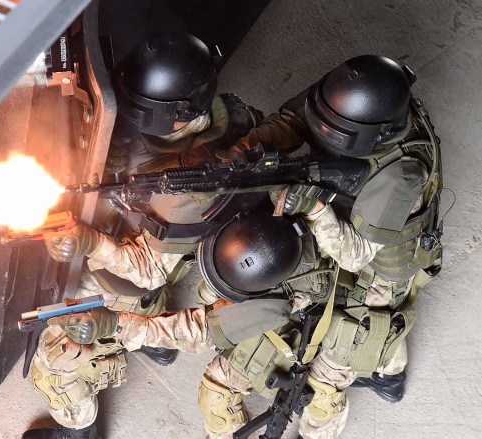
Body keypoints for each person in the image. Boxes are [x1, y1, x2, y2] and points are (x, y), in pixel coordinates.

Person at [23, 33, 264, 439]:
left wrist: (90, 242)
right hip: (172, 244)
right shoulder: (233, 116)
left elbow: (150, 270)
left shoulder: (187, 185)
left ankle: (78, 430)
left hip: (142, 265)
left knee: (54, 360)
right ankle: (155, 334)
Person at [232, 54, 444, 438]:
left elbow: (355, 254)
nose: (322, 132)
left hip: (383, 254)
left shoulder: (402, 174)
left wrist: (314, 207)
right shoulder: (348, 95)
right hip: (357, 210)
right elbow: (294, 119)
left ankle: (389, 375)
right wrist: (248, 148)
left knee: (372, 320)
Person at [28, 211, 333, 439]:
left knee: (217, 399)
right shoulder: (244, 206)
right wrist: (94, 243)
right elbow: (151, 265)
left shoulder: (271, 306)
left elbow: (195, 331)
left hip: (300, 321)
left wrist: (115, 324)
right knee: (131, 284)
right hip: (255, 263)